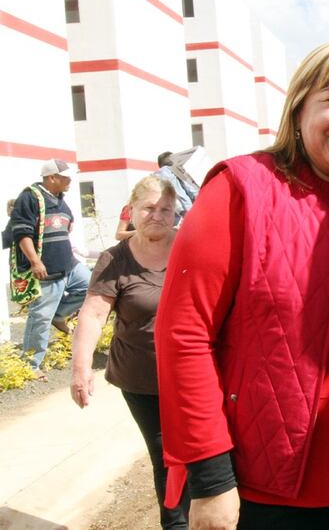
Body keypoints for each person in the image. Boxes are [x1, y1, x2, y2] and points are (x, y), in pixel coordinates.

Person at [155, 41, 329, 529]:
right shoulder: (239, 187)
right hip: (266, 482)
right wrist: (210, 477)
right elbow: (184, 333)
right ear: (298, 108)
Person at [70, 175, 189, 529]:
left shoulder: (191, 245)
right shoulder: (115, 259)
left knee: (206, 451)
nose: (157, 215)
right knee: (165, 456)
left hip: (194, 374)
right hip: (142, 379)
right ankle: (176, 525)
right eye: (148, 208)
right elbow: (94, 314)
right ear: (132, 210)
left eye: (165, 209)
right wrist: (80, 369)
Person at [9, 159, 92, 375]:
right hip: (47, 270)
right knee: (40, 317)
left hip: (69, 265)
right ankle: (30, 365)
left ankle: (59, 314)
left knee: (92, 287)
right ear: (51, 177)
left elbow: (67, 224)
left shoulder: (59, 199)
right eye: (66, 177)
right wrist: (35, 261)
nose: (70, 181)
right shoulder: (30, 197)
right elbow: (22, 233)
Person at [154, 151, 199, 218]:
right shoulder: (166, 172)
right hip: (185, 212)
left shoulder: (157, 176)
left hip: (177, 213)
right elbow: (188, 191)